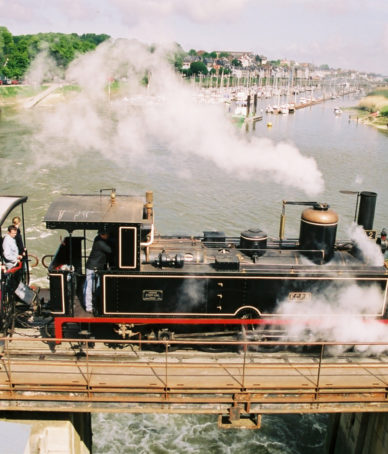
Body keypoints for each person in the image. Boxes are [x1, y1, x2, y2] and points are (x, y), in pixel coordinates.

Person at [83, 229, 112, 313]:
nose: (108, 236)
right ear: (103, 235)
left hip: (95, 266)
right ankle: (88, 307)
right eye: (107, 234)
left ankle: (91, 303)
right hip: (94, 267)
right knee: (89, 286)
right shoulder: (100, 242)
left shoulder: (98, 238)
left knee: (90, 285)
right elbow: (110, 250)